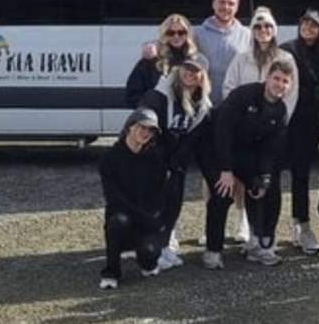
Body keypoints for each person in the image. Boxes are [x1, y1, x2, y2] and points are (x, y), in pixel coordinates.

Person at [205, 61, 294, 269]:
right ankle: (213, 250)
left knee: (266, 188)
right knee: (222, 192)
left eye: (285, 81)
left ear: (289, 86)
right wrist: (226, 169)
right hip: (217, 149)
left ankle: (261, 243)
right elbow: (222, 132)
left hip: (246, 155)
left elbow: (269, 150)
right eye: (276, 78)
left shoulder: (280, 111)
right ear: (267, 78)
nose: (279, 84)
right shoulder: (243, 95)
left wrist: (263, 177)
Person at [139, 53, 214, 270]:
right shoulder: (160, 95)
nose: (190, 74)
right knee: (153, 207)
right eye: (187, 68)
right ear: (180, 70)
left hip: (176, 161)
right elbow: (146, 128)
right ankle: (149, 252)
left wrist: (178, 160)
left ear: (203, 76)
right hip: (154, 157)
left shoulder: (203, 104)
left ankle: (163, 247)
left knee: (173, 206)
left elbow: (192, 137)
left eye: (196, 71)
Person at [97, 108, 170, 290]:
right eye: (141, 127)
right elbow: (114, 199)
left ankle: (144, 258)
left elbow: (160, 194)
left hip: (146, 219)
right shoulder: (110, 157)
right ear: (130, 127)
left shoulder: (155, 158)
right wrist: (145, 219)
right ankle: (111, 271)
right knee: (118, 223)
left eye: (151, 130)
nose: (146, 133)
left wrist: (157, 219)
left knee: (150, 257)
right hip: (123, 215)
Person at [282, 8, 319, 255]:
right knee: (292, 174)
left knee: (303, 174)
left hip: (313, 123)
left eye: (314, 25)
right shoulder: (288, 49)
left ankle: (302, 223)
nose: (308, 28)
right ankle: (299, 224)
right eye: (305, 23)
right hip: (290, 120)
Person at [223, 7, 298, 118]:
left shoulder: (286, 58)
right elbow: (229, 88)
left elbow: (292, 92)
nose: (263, 30)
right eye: (257, 27)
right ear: (252, 32)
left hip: (273, 119)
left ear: (274, 30)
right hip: (243, 119)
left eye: (268, 26)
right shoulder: (241, 58)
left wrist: (284, 116)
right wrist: (235, 114)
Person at [195, 0, 252, 108]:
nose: (226, 7)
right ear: (213, 4)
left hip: (235, 105)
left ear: (237, 8)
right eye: (221, 2)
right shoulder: (196, 33)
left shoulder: (247, 35)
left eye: (231, 4)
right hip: (203, 105)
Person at [127, 14, 197, 108]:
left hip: (186, 117)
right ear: (164, 34)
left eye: (181, 32)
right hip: (158, 117)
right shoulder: (151, 60)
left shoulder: (195, 60)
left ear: (187, 34)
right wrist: (150, 109)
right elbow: (133, 94)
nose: (176, 36)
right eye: (170, 33)